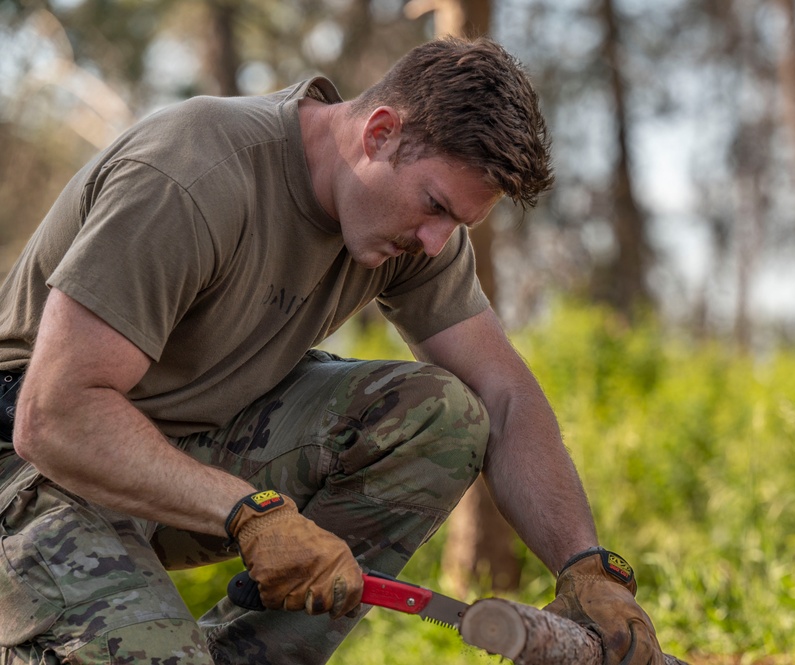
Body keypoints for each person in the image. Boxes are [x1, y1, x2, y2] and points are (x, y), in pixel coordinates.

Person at [0, 37, 664, 664]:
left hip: (174, 452)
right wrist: (247, 513)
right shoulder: (193, 175)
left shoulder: (409, 232)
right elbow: (54, 416)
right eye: (433, 204)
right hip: (33, 467)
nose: (437, 242)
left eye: (457, 222)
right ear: (380, 132)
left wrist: (584, 562)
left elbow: (506, 395)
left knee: (442, 415)